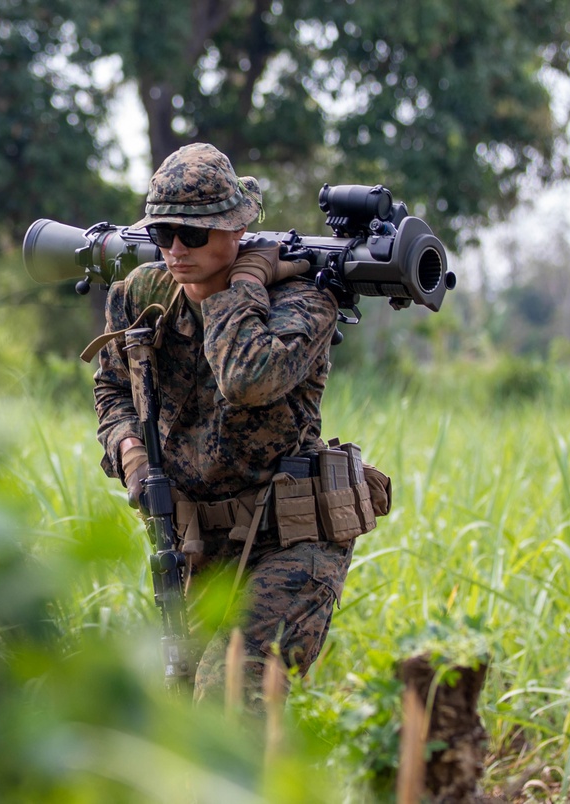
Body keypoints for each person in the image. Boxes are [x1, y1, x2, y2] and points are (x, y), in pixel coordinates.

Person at [92, 142, 381, 707]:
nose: (176, 250)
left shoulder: (302, 300)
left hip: (291, 536)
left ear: (235, 230)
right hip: (198, 541)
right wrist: (128, 448)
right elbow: (113, 386)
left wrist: (245, 283)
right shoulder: (140, 297)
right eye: (163, 234)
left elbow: (247, 378)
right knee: (184, 720)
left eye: (194, 235)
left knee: (230, 693)